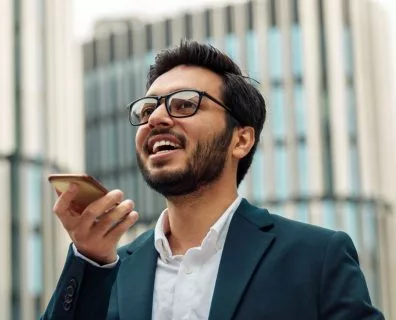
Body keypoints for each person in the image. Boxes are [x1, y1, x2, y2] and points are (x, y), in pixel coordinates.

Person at [40, 40, 384, 320]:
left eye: (185, 104)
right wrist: (89, 259)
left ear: (241, 140)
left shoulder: (316, 257)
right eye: (147, 110)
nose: (156, 117)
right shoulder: (107, 269)